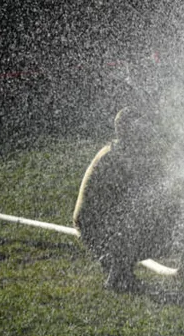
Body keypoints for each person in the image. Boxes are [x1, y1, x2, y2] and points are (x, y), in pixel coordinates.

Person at [73, 108, 177, 291]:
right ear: (128, 130)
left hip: (103, 222)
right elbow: (134, 196)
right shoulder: (114, 156)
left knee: (151, 217)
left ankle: (120, 270)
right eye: (141, 127)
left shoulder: (123, 151)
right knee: (142, 217)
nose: (146, 131)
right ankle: (117, 276)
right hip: (95, 226)